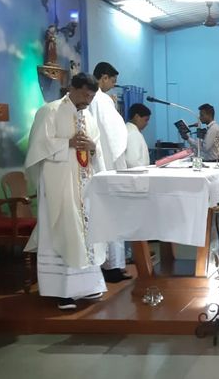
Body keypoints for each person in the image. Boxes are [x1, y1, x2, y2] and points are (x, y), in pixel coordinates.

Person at [24, 73, 108, 310]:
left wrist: (93, 147)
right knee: (63, 229)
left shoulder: (88, 116)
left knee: (87, 233)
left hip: (84, 185)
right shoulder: (49, 111)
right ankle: (62, 292)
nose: (87, 100)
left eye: (91, 96)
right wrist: (67, 144)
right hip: (59, 184)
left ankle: (89, 286)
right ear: (72, 88)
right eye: (84, 94)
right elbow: (37, 147)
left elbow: (97, 147)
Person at [88, 62, 130, 282]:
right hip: (108, 166)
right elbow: (116, 136)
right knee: (113, 217)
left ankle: (106, 266)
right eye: (112, 81)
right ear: (103, 78)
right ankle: (113, 267)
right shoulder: (102, 99)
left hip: (93, 166)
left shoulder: (87, 100)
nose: (113, 86)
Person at [124, 103, 151, 168]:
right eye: (146, 120)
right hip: (137, 175)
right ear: (137, 117)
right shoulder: (133, 134)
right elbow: (132, 161)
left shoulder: (127, 129)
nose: (147, 123)